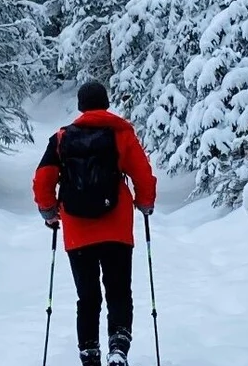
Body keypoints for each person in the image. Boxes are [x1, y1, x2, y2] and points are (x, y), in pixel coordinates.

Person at [33, 81, 158, 366]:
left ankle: (89, 353)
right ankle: (118, 347)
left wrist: (49, 212)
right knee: (118, 289)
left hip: (78, 231)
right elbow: (142, 173)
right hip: (116, 228)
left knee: (87, 296)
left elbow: (43, 179)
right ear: (106, 102)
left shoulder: (62, 138)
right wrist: (145, 203)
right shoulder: (120, 134)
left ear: (80, 106)